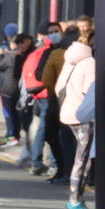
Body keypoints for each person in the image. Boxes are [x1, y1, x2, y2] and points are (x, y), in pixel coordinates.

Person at [56, 33, 95, 209]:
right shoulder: (90, 62)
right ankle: (75, 200)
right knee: (83, 159)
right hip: (83, 116)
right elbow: (91, 91)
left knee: (80, 157)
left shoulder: (70, 60)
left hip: (67, 113)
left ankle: (75, 198)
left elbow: (58, 87)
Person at [39, 24, 79, 183]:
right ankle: (76, 173)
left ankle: (64, 170)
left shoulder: (56, 54)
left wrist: (56, 92)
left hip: (57, 102)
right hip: (80, 101)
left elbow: (45, 79)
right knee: (75, 140)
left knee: (54, 135)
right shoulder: (88, 57)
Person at [19, 22, 59, 172]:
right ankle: (52, 163)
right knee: (51, 129)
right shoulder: (50, 52)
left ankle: (36, 161)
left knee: (42, 127)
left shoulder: (36, 52)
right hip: (49, 94)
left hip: (37, 94)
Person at [0, 31, 33, 146]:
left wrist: (0, 55)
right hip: (21, 89)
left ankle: (11, 135)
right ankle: (15, 135)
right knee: (17, 112)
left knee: (9, 113)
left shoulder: (11, 55)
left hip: (8, 88)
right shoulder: (27, 56)